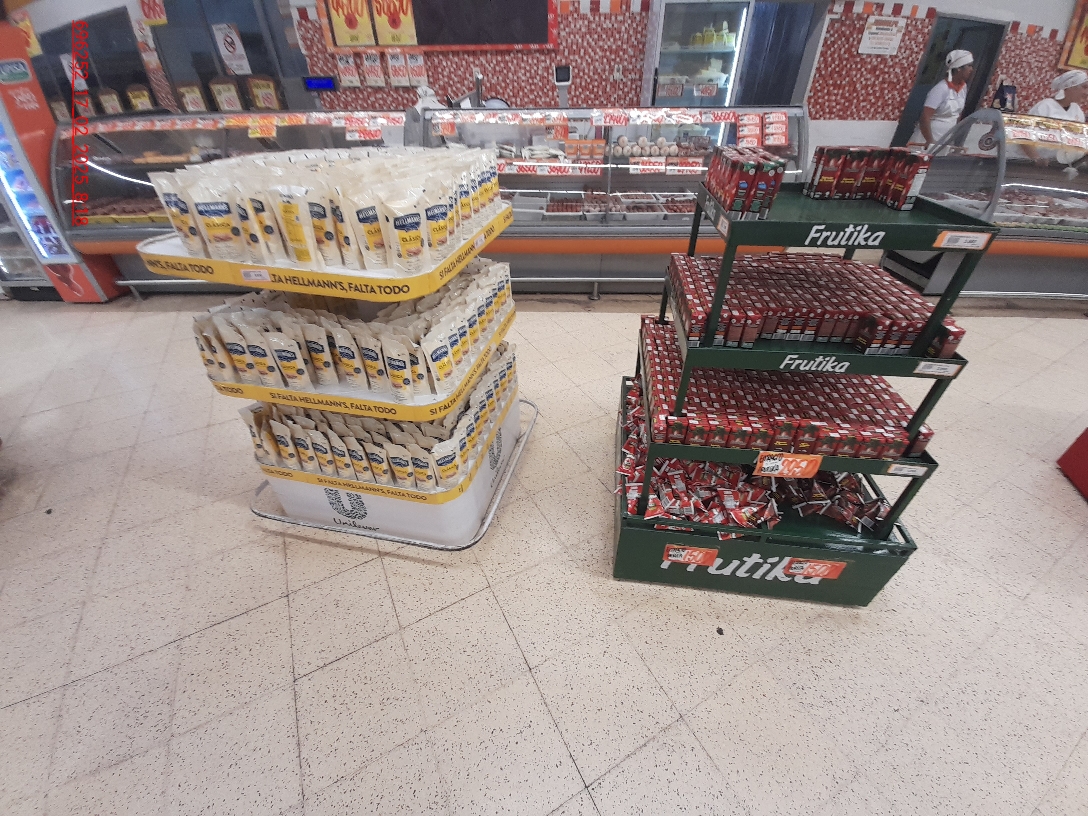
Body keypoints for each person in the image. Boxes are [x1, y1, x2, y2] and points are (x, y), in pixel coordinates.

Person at [1022, 70, 1088, 168]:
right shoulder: (1045, 106)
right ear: (1069, 87)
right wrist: (1036, 158)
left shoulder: (1078, 112)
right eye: (1084, 87)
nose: (1087, 92)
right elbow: (1024, 135)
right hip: (1029, 165)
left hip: (1057, 166)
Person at [913, 49, 975, 148]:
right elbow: (925, 117)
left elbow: (957, 115)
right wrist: (930, 141)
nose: (971, 70)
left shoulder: (963, 88)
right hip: (926, 140)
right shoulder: (941, 89)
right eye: (969, 66)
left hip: (945, 138)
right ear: (959, 68)